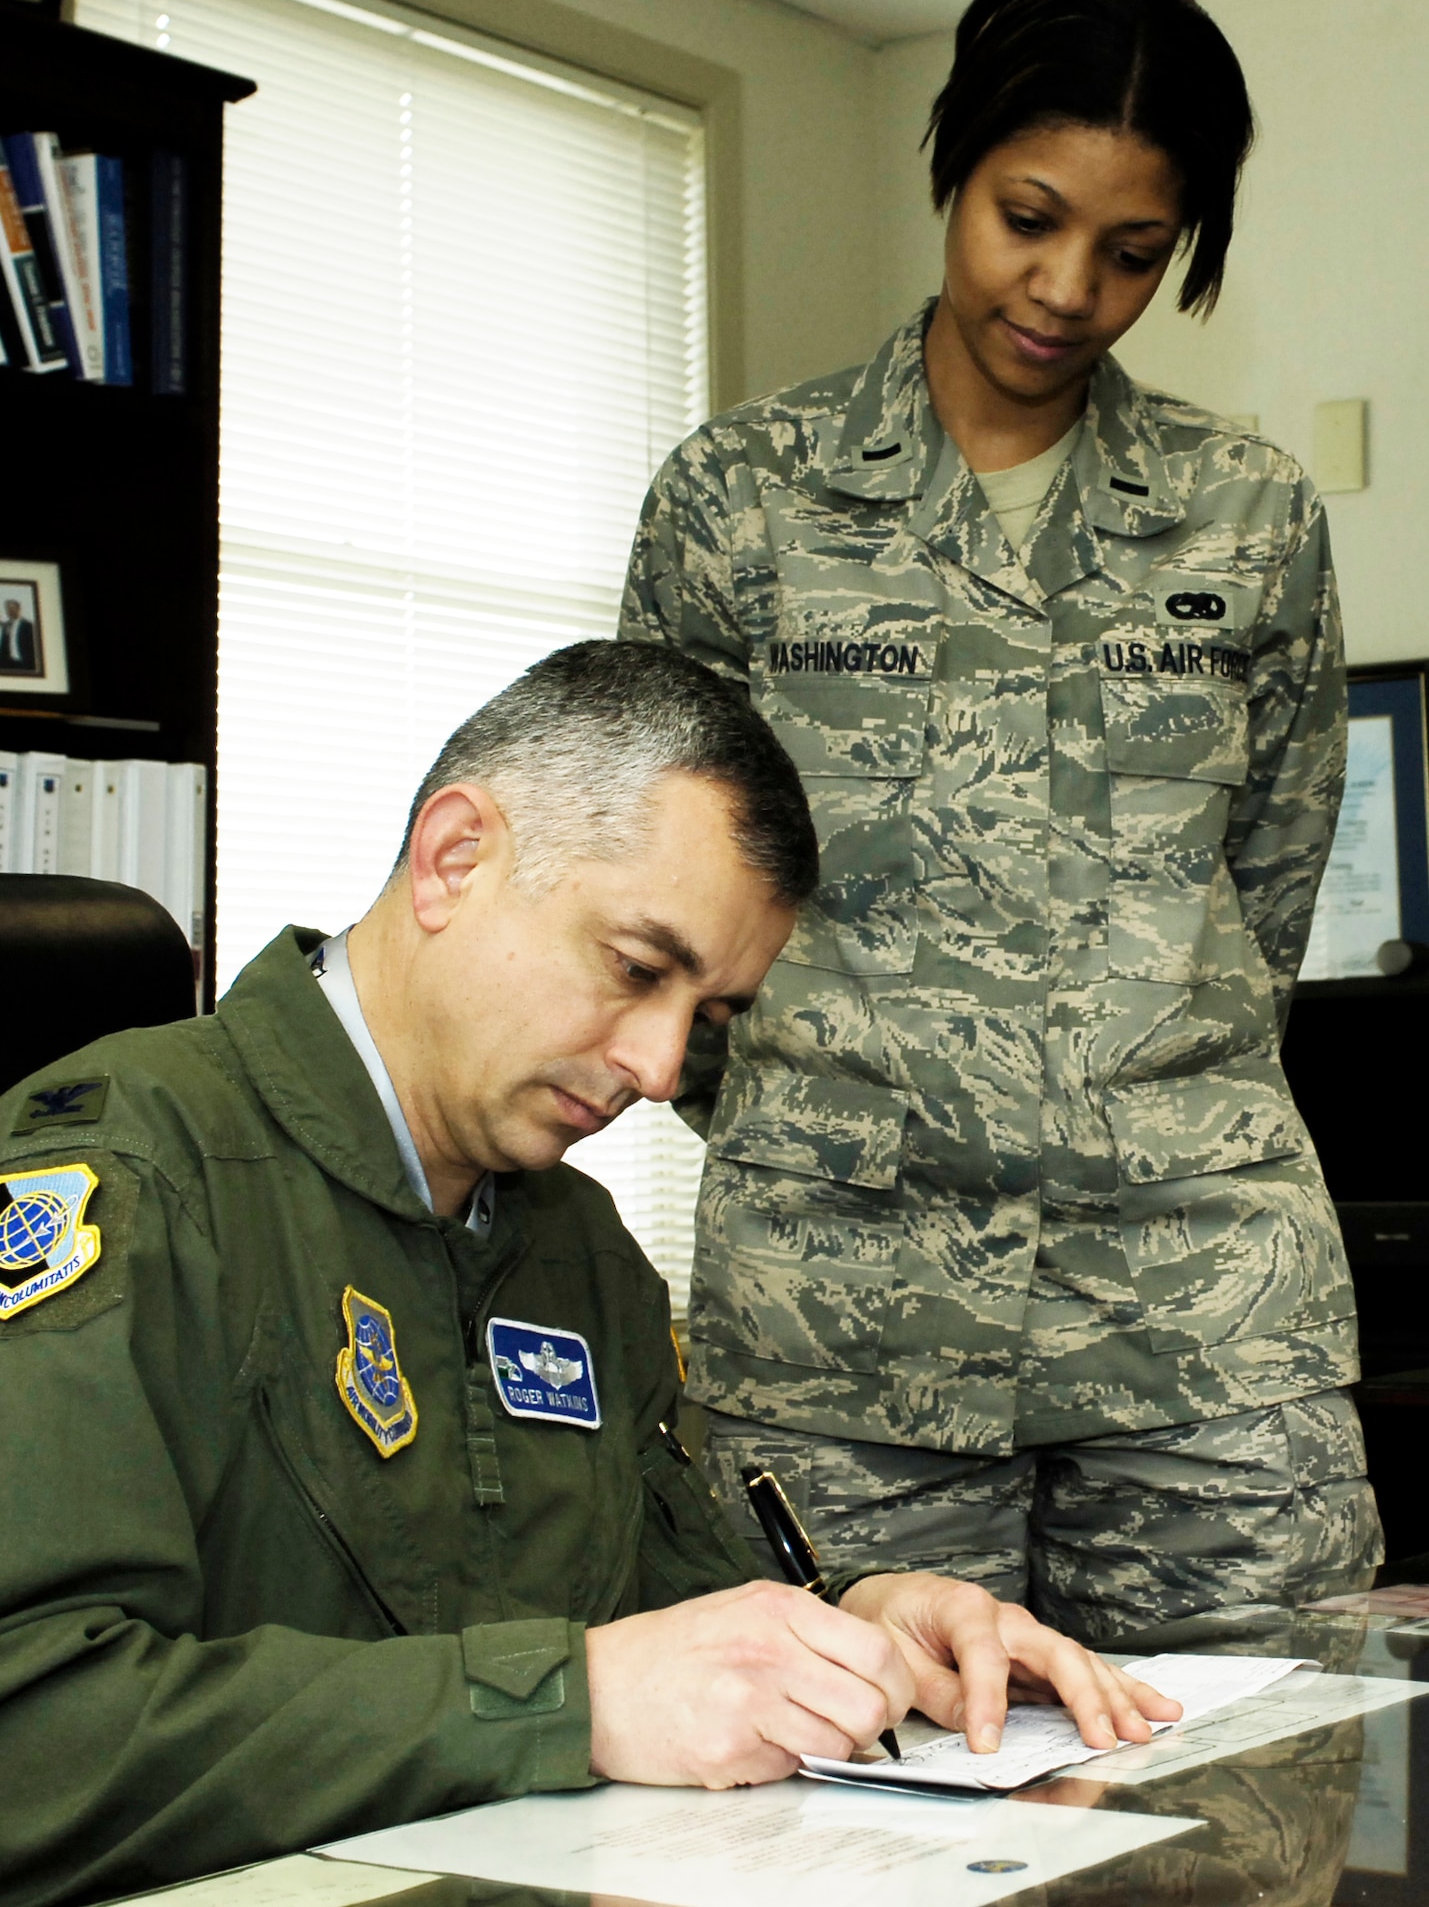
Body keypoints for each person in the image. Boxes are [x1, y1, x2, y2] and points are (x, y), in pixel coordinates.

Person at [0, 640, 1174, 1907]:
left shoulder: (575, 1244)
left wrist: (864, 1628)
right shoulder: (125, 1182)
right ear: (455, 858)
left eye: (709, 1013)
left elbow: (666, 1612)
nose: (663, 1067)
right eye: (634, 968)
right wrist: (571, 1700)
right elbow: (32, 1736)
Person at [620, 0, 1382, 1643]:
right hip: (838, 1336)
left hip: (1197, 1329)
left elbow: (1257, 908)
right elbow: (665, 912)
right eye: (1022, 218)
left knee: (1250, 1826)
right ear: (949, 169)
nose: (1063, 290)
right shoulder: (740, 506)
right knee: (827, 1845)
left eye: (1130, 253)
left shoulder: (1241, 518)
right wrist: (839, 1115)